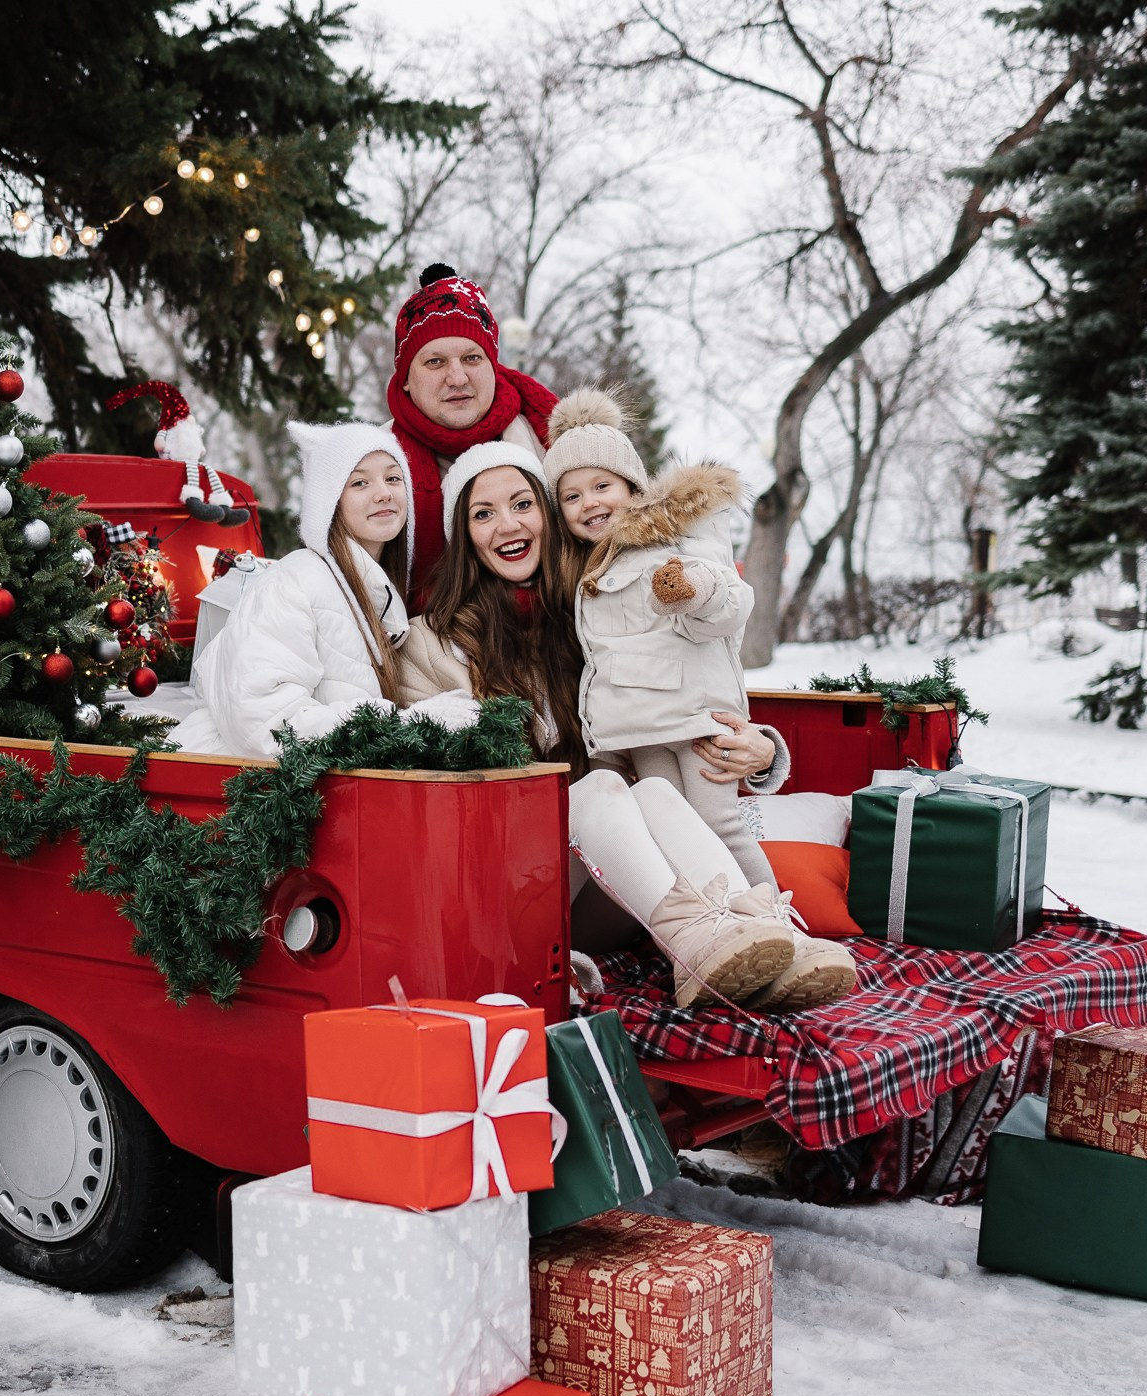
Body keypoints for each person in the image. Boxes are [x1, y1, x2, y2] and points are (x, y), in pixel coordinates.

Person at [398, 444, 856, 1012]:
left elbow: (692, 675)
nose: (508, 525)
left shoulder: (592, 618)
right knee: (599, 788)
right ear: (462, 535)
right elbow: (430, 793)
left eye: (523, 504)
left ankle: (770, 937)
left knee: (657, 790)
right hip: (510, 892)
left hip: (608, 882)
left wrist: (761, 749)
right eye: (483, 514)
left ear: (548, 518)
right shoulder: (427, 644)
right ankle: (698, 945)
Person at [543, 389, 773, 890]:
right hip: (642, 729)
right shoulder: (591, 566)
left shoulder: (671, 536)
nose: (589, 503)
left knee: (719, 827)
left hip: (697, 719)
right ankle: (711, 940)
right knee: (671, 835)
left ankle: (781, 926)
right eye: (572, 496)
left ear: (631, 484)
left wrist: (693, 592)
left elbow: (729, 601)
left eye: (601, 485)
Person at [173, 422, 478, 759]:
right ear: (329, 501)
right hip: (239, 793)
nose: (384, 493)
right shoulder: (294, 580)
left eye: (393, 478)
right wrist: (404, 723)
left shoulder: (378, 595)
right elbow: (266, 724)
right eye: (360, 482)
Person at [385, 264, 558, 595]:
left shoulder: (552, 442)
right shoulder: (375, 463)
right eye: (435, 362)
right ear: (406, 378)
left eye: (472, 358)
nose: (458, 378)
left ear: (493, 366)